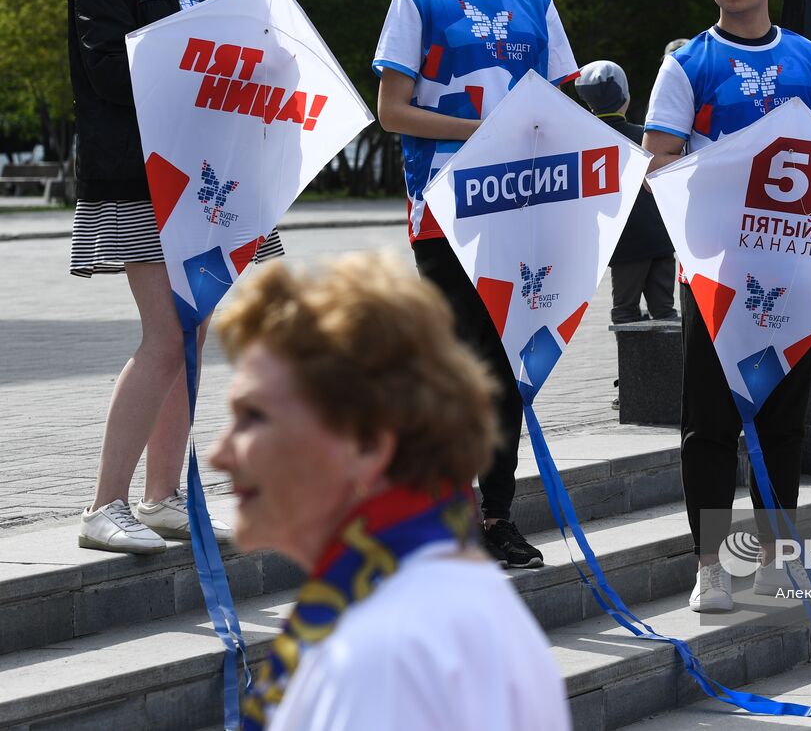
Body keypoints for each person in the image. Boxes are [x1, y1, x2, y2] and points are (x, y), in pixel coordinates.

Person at [210, 251, 569, 731]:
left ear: (366, 446)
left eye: (254, 418)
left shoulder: (381, 655)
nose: (219, 453)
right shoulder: (417, 596)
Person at [66, 0, 277, 553]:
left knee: (188, 336)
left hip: (216, 181)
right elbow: (106, 71)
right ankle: (105, 505)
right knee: (163, 337)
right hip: (146, 180)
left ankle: (162, 498)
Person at [373, 0, 579, 568]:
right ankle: (459, 511)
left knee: (506, 364)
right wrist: (485, 131)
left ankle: (493, 514)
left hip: (522, 209)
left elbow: (559, 106)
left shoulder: (535, 1)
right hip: (446, 211)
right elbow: (392, 110)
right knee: (470, 362)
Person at [642, 0, 811, 613]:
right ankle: (710, 565)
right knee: (708, 423)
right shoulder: (688, 62)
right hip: (713, 274)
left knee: (783, 423)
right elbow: (658, 162)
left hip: (792, 274)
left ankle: (774, 556)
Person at [574, 59, 676, 324]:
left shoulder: (583, 144)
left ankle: (632, 365)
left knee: (624, 310)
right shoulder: (646, 138)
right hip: (660, 237)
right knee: (666, 312)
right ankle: (670, 365)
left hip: (623, 243)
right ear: (625, 97)